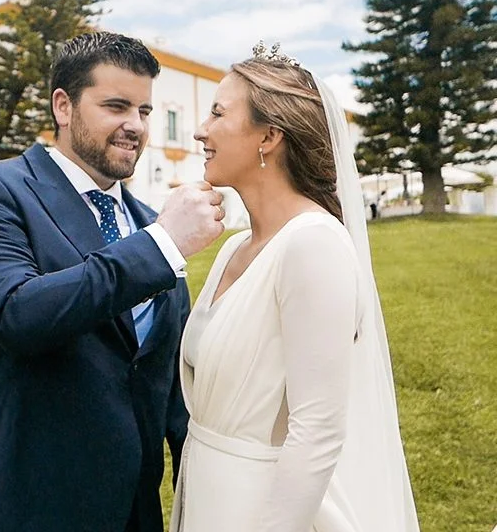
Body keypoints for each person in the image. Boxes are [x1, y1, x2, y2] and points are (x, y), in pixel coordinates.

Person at [0, 31, 225, 532]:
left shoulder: (148, 224)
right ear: (63, 106)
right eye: (116, 106)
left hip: (135, 513)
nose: (135, 126)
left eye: (144, 111)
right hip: (28, 505)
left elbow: (171, 393)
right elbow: (16, 314)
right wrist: (162, 244)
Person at [169, 44, 420, 531]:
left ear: (269, 136)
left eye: (218, 113)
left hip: (264, 510)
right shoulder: (233, 247)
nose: (201, 130)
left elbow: (318, 431)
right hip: (206, 492)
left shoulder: (314, 246)